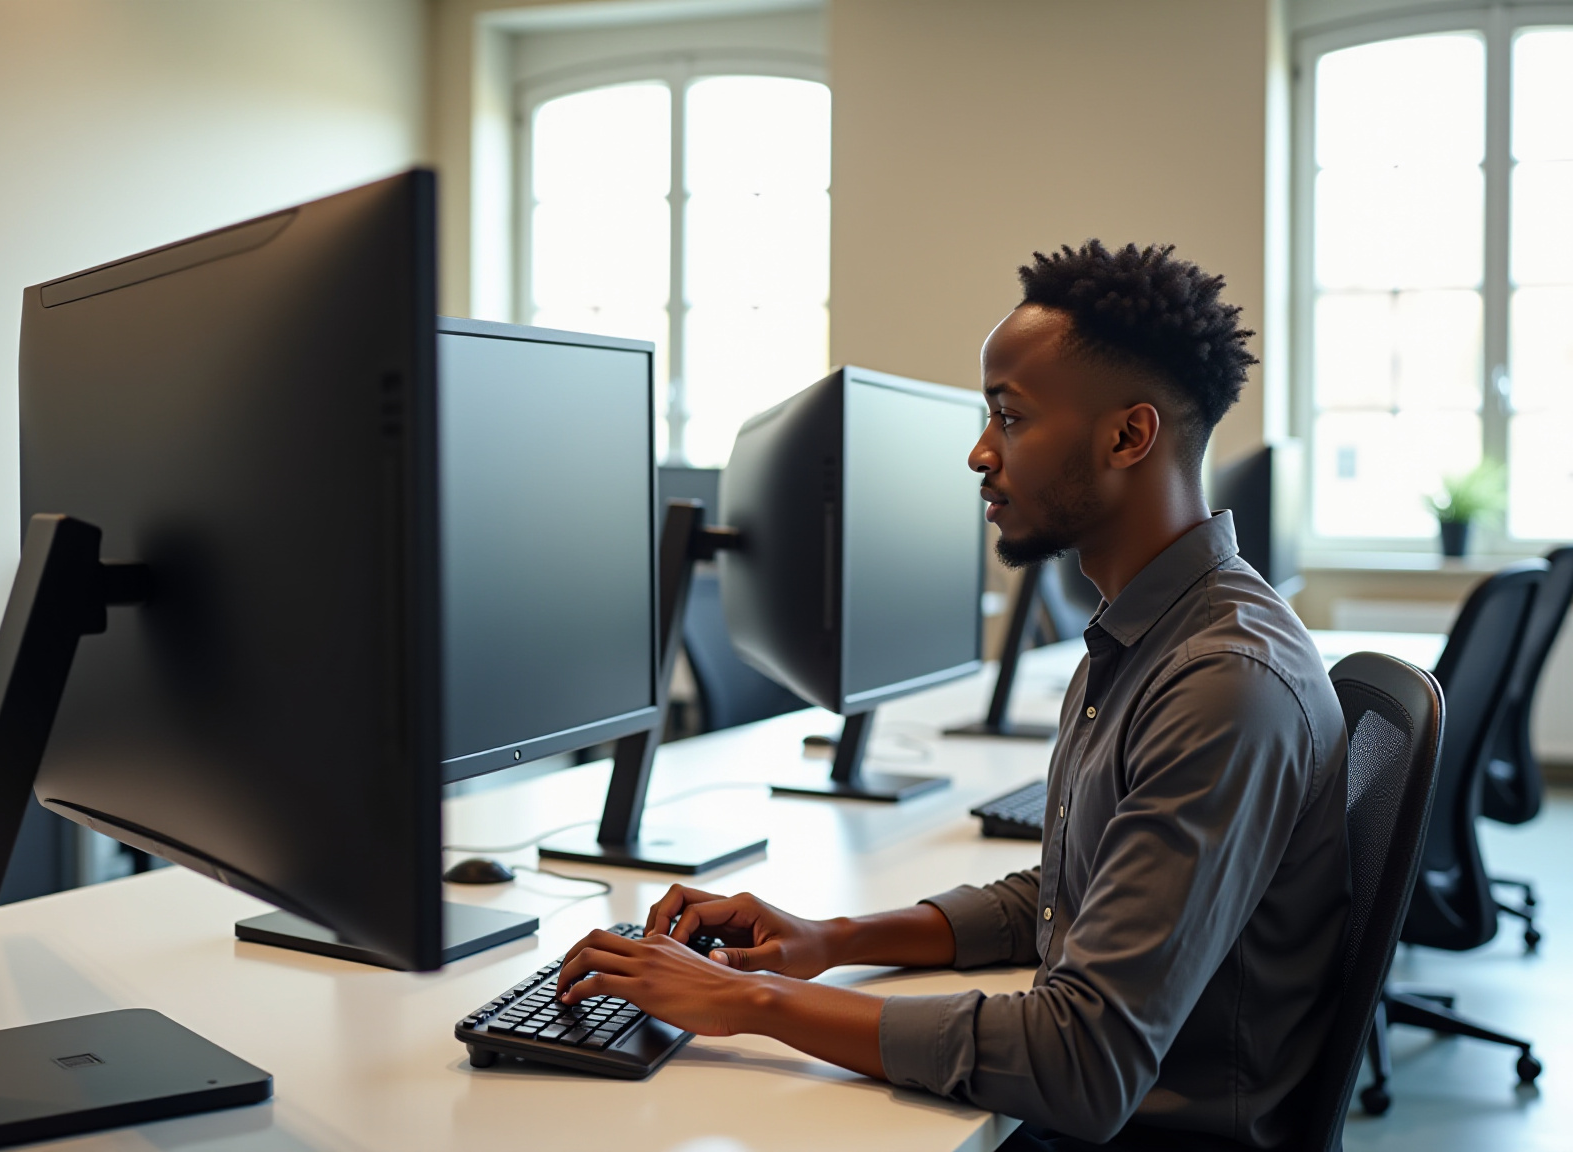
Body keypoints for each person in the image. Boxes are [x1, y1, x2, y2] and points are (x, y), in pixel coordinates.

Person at [558, 241, 1349, 1151]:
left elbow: (1082, 1063)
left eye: (1009, 418)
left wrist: (753, 1000)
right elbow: (1066, 892)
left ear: (1129, 437)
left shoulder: (1223, 682)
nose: (980, 453)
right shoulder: (1147, 632)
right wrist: (830, 939)